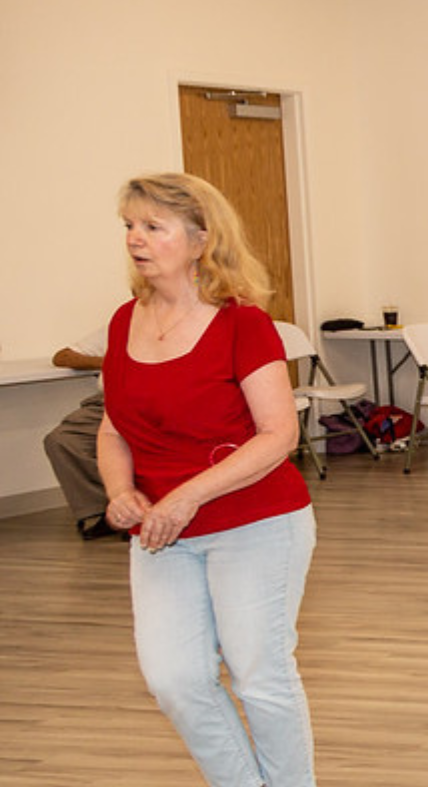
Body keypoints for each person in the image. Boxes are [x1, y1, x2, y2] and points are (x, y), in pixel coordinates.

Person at [99, 172, 320, 786]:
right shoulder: (124, 322)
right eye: (130, 226)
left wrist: (187, 495)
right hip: (161, 533)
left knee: (259, 675)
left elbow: (278, 434)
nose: (136, 240)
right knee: (175, 679)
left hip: (256, 523)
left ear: (200, 240)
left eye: (152, 226)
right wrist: (121, 492)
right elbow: (113, 428)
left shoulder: (244, 324)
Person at [44, 326, 114, 540]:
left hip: (153, 403)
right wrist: (110, 361)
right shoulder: (121, 323)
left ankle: (134, 510)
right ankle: (105, 511)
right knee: (62, 440)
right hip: (107, 402)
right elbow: (62, 357)